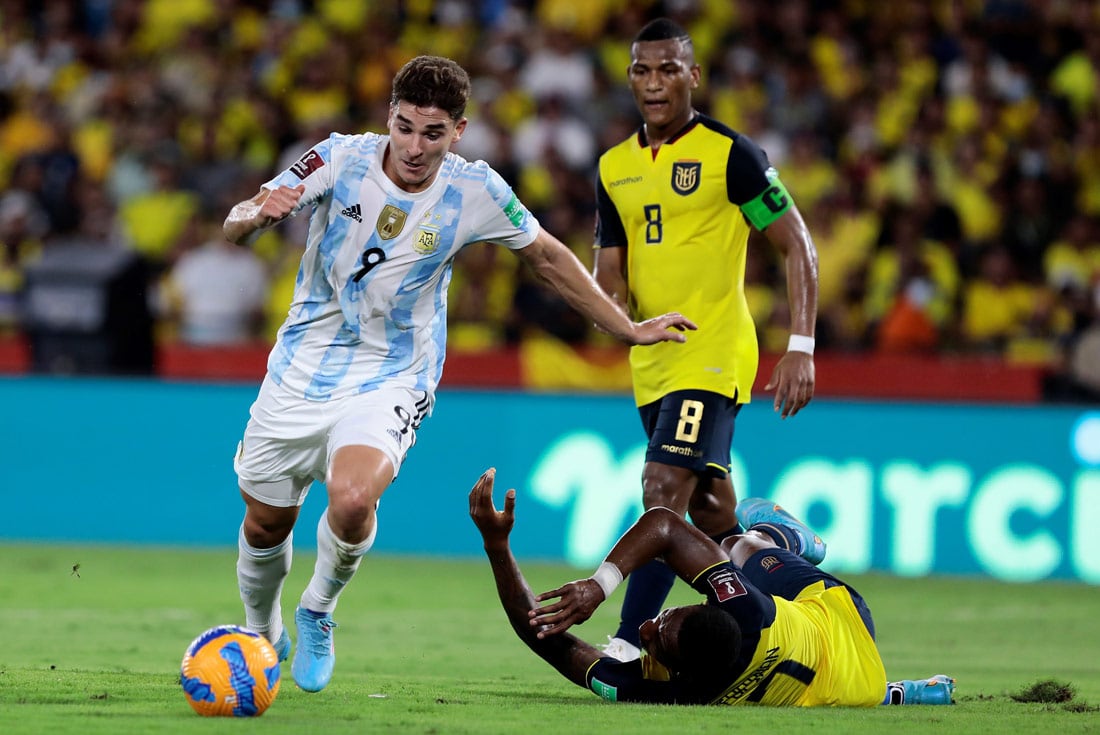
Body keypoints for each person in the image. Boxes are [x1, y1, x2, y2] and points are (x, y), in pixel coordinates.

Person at [221, 55, 696, 693]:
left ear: (459, 131)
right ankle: (260, 631)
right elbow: (240, 220)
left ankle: (318, 609)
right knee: (265, 523)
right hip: (301, 366)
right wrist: (255, 219)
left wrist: (626, 327)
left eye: (433, 133)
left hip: (393, 372)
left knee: (355, 497)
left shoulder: (475, 192)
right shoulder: (339, 158)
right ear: (389, 116)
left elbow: (550, 259)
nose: (415, 147)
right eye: (405, 127)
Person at [591, 18, 820, 660]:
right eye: (642, 70)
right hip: (653, 362)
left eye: (668, 69)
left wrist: (799, 346)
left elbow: (796, 245)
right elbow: (608, 274)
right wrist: (619, 319)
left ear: (694, 76)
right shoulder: (614, 168)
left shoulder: (731, 154)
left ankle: (624, 644)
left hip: (714, 351)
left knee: (662, 490)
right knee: (713, 515)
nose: (654, 82)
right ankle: (784, 561)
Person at [469, 468, 956, 706]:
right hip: (839, 617)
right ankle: (783, 538)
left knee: (729, 541)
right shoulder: (746, 610)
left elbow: (541, 636)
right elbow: (663, 524)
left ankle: (774, 536)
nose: (644, 626)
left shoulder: (663, 694)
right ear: (716, 603)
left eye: (655, 633)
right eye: (662, 620)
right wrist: (600, 587)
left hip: (859, 686)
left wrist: (496, 546)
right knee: (737, 547)